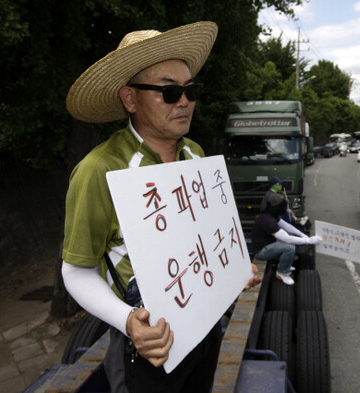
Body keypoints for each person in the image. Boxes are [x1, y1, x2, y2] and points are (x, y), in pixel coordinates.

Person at [61, 22, 260, 393]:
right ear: (130, 99)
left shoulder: (195, 154)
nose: (184, 101)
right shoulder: (98, 170)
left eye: (191, 90)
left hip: (206, 325)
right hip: (150, 344)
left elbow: (205, 235)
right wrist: (128, 321)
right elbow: (75, 270)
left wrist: (233, 265)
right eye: (169, 91)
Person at [252, 193, 321, 285]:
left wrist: (301, 234)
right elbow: (287, 239)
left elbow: (286, 226)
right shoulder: (267, 221)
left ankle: (286, 264)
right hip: (261, 252)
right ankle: (282, 272)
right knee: (289, 248)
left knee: (289, 239)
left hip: (268, 243)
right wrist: (308, 241)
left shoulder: (270, 215)